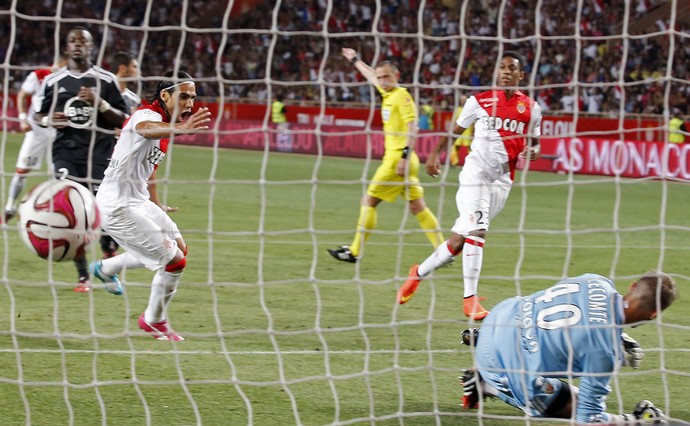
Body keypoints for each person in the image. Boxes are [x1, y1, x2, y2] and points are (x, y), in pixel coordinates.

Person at [397, 51, 542, 320]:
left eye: (512, 68)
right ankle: (470, 300)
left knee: (460, 241)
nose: (506, 71)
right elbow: (455, 130)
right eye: (502, 67)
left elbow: (534, 141)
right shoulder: (479, 101)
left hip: (502, 181)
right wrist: (434, 155)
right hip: (474, 174)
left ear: (521, 75)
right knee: (478, 230)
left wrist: (534, 150)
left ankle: (417, 273)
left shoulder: (532, 109)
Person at [459, 271, 677, 423]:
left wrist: (617, 334)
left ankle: (486, 342)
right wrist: (632, 421)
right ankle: (486, 384)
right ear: (653, 315)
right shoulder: (604, 352)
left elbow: (575, 310)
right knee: (575, 404)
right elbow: (589, 420)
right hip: (499, 364)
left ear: (632, 286)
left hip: (500, 317)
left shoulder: (596, 281)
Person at [90, 70, 211, 341]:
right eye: (184, 96)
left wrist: (155, 203)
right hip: (117, 205)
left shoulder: (166, 124)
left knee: (180, 248)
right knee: (174, 263)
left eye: (193, 97)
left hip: (139, 200)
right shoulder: (148, 115)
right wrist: (179, 129)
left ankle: (105, 268)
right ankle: (153, 320)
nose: (190, 103)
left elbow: (150, 167)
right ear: (165, 96)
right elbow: (145, 131)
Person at [328, 48, 444, 263]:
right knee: (417, 207)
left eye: (386, 77)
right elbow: (371, 76)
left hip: (397, 161)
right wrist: (355, 59)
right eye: (380, 77)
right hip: (405, 162)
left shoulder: (401, 96)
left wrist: (403, 156)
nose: (381, 80)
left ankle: (354, 252)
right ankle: (443, 251)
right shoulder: (388, 93)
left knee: (369, 201)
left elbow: (413, 127)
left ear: (396, 76)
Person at [35, 26, 128, 292]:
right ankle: (82, 276)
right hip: (66, 154)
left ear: (91, 48)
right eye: (73, 41)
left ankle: (109, 258)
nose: (78, 45)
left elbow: (123, 120)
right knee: (71, 213)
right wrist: (48, 119)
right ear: (66, 48)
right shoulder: (53, 81)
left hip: (100, 154)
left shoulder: (106, 80)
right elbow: (39, 115)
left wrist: (99, 103)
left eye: (83, 41)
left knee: (105, 212)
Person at [4, 54, 68, 222]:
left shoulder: (69, 79)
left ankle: (56, 213)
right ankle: (9, 207)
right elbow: (22, 95)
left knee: (60, 175)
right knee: (22, 170)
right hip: (37, 130)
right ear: (62, 63)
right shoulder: (39, 75)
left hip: (58, 133)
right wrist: (23, 117)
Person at [112, 51, 141, 116]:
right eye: (135, 67)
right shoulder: (103, 90)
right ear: (123, 68)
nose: (139, 72)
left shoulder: (135, 100)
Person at [449, 94, 473, 167]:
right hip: (458, 130)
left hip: (467, 130)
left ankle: (472, 162)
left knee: (469, 147)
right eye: (462, 100)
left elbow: (473, 121)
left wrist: (473, 131)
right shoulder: (458, 109)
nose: (463, 101)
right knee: (456, 145)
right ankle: (454, 162)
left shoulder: (471, 108)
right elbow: (454, 120)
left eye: (464, 100)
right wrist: (452, 129)